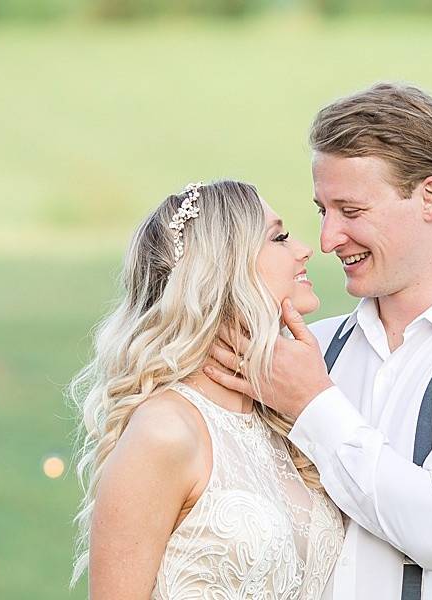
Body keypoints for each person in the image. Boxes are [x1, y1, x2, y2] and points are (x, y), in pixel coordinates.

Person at [204, 83, 432, 600]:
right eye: (322, 210)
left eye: (351, 212)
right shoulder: (309, 349)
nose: (328, 239)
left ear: (430, 198)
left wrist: (313, 405)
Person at [68, 180, 344, 599]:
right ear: (223, 266)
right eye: (279, 237)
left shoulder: (282, 420)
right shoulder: (166, 430)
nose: (305, 248)